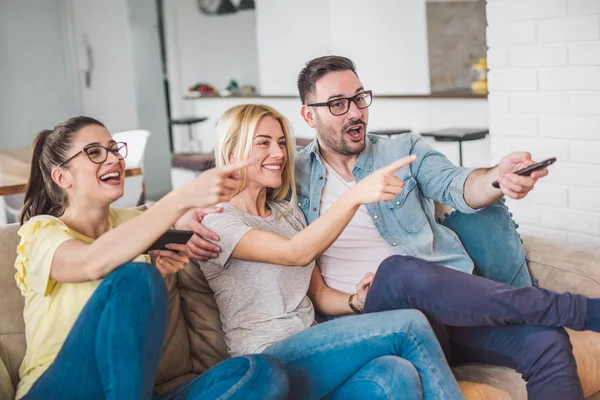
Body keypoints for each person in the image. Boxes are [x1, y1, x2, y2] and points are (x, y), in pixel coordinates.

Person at [185, 56, 600, 400]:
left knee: (547, 343)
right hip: (375, 319)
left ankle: (556, 314)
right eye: (338, 103)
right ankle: (576, 309)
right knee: (399, 271)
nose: (354, 112)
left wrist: (498, 178)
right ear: (308, 115)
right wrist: (182, 213)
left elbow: (457, 184)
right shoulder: (291, 174)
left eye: (359, 98)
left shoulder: (402, 150)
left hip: (442, 308)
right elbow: (229, 186)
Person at [178, 104, 465, 400]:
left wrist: (358, 301)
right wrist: (354, 196)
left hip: (311, 351)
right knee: (409, 324)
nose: (278, 154)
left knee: (394, 373)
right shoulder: (216, 220)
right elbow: (294, 254)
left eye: (281, 143)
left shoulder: (286, 214)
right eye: (263, 143)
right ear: (232, 151)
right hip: (265, 360)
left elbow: (319, 295)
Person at [14, 116, 289, 400]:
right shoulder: (40, 233)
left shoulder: (135, 223)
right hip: (58, 388)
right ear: (62, 177)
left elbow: (131, 326)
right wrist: (181, 199)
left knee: (260, 371)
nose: (113, 159)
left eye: (114, 149)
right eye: (94, 152)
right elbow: (92, 262)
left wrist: (163, 270)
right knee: (136, 276)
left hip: (132, 388)